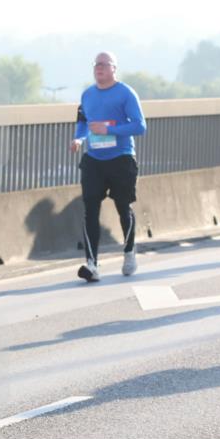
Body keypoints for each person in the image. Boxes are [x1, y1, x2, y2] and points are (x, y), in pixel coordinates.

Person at [70, 51, 147, 282]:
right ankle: (92, 264)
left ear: (114, 68)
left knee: (123, 207)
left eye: (104, 64)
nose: (99, 68)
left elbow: (140, 126)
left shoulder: (125, 93)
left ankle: (129, 251)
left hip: (121, 158)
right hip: (94, 159)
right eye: (96, 64)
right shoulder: (87, 95)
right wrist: (78, 139)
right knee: (90, 209)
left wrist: (110, 130)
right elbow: (83, 122)